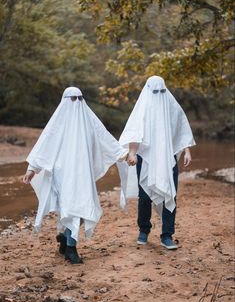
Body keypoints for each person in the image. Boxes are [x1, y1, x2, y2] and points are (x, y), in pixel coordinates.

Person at [23, 87, 126, 264]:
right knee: (71, 208)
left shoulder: (89, 120)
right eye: (72, 99)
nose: (75, 102)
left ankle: (65, 238)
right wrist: (32, 168)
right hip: (62, 174)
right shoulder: (57, 123)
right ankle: (71, 248)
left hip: (82, 173)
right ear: (64, 100)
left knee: (82, 207)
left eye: (79, 98)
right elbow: (45, 144)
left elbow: (104, 137)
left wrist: (122, 154)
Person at [118, 76, 195, 249]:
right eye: (155, 91)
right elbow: (135, 131)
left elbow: (180, 129)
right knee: (144, 196)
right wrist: (132, 153)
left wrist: (187, 150)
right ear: (148, 90)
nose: (158, 94)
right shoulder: (142, 107)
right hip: (145, 159)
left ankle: (167, 235)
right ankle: (144, 229)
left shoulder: (171, 105)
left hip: (168, 158)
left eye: (161, 90)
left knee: (170, 194)